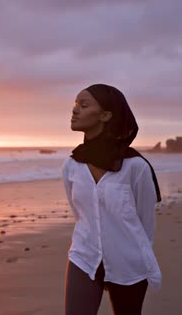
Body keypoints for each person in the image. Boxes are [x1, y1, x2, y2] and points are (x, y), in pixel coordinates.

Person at [62, 84, 162, 315]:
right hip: (83, 257)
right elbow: (81, 215)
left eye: (84, 105)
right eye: (75, 104)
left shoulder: (135, 167)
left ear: (106, 115)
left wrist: (131, 256)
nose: (75, 110)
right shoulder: (71, 166)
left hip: (128, 263)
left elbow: (145, 223)